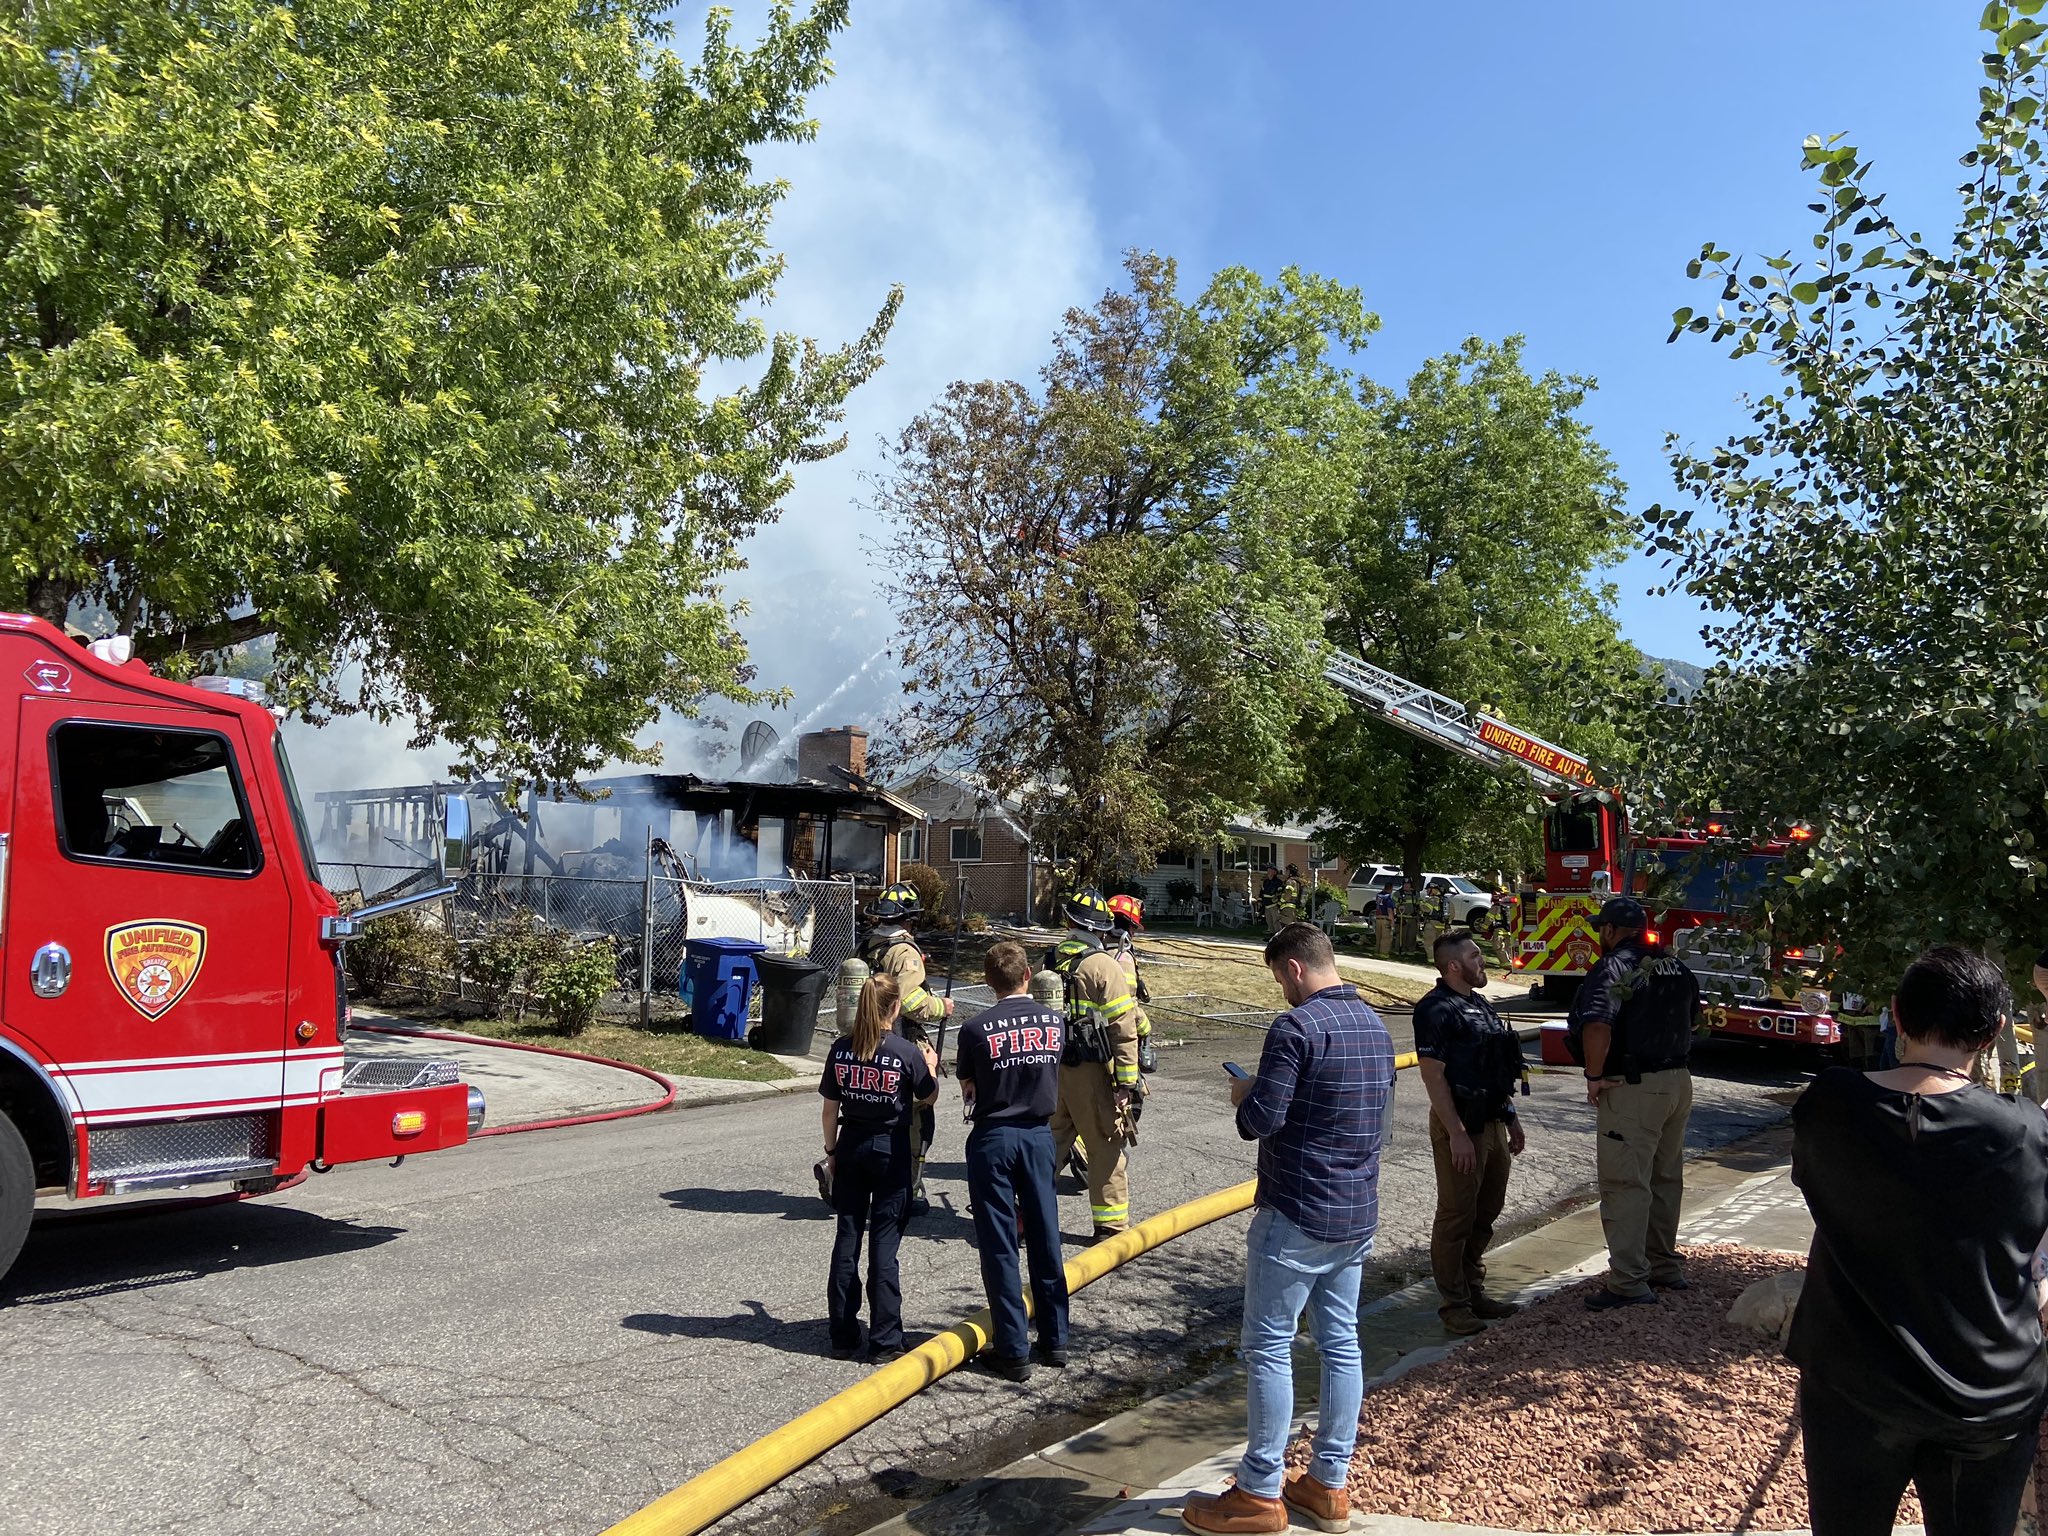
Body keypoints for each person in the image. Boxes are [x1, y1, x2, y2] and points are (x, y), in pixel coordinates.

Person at [1788, 946, 2048, 1536]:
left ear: (1896, 1016)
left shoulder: (1829, 1105)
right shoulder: (2023, 1130)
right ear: (1995, 1032)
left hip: (1855, 1382)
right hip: (1988, 1393)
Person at [1180, 923, 1395, 1536]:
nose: (1281, 990)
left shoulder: (1296, 1028)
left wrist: (1245, 1091)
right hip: (1356, 1211)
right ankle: (1329, 1484)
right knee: (1341, 1343)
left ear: (1295, 969)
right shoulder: (1375, 1028)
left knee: (1269, 1347)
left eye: (1279, 978)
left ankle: (1259, 1490)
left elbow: (1260, 1120)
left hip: (1296, 1211)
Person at [1565, 895, 1699, 1309]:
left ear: (1609, 931)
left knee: (1626, 1183)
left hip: (1634, 1087)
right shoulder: (1675, 966)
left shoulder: (1615, 967)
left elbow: (1598, 1022)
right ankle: (1663, 1267)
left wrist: (1593, 1075)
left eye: (1599, 929)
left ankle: (1628, 1281)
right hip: (1678, 1082)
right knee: (1665, 1178)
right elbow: (1694, 1018)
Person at [953, 941, 1071, 1382]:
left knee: (1001, 1244)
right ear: (1029, 975)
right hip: (1039, 1136)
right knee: (1045, 1237)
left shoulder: (975, 1029)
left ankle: (1013, 1348)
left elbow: (968, 1082)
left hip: (994, 1136)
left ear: (988, 982)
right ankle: (1056, 1339)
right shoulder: (1054, 1023)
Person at [1413, 930, 1528, 1336]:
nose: (1484, 962)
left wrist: (1510, 1117)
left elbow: (1496, 1068)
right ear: (1454, 966)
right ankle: (1454, 1305)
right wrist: (1457, 1133)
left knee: (1486, 1211)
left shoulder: (1480, 1006)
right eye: (1476, 956)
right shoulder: (1435, 1009)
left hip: (1493, 1120)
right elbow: (1434, 1078)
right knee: (1456, 1215)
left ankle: (1474, 1291)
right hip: (1461, 1123)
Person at [819, 975, 938, 1363]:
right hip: (890, 1147)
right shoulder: (906, 1052)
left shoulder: (841, 1049)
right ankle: (885, 1339)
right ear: (894, 1008)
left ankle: (842, 1332)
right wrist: (932, 1068)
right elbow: (928, 1096)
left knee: (847, 1236)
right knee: (884, 1244)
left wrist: (831, 1151)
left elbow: (829, 1108)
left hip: (851, 1143)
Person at [1047, 887, 1142, 1238]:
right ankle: (1110, 1227)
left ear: (1070, 921)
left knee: (1051, 1143)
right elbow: (1123, 1027)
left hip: (1053, 1068)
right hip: (1092, 1072)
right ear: (1102, 928)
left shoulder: (1050, 958)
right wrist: (1126, 1084)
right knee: (1105, 1146)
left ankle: (1023, 1212)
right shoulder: (1103, 965)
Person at [858, 883, 952, 1212]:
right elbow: (911, 1002)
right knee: (916, 1117)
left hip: (865, 1040)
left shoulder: (868, 945)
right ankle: (909, 1189)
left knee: (868, 1113)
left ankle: (856, 1179)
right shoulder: (905, 953)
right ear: (909, 919)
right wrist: (942, 1007)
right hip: (900, 1040)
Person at [1107, 894, 1158, 1076]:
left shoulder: (1096, 952)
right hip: (1117, 1040)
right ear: (1128, 927)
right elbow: (1127, 1007)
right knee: (1133, 1096)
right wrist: (1146, 1028)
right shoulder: (1123, 958)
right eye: (1134, 928)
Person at [1373, 884, 1396, 956]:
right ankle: (1383, 954)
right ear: (1391, 889)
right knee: (1385, 938)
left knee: (1378, 937)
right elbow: (1389, 910)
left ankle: (1377, 952)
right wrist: (1392, 922)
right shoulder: (1388, 897)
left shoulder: (1378, 895)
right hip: (1385, 919)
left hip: (1377, 918)